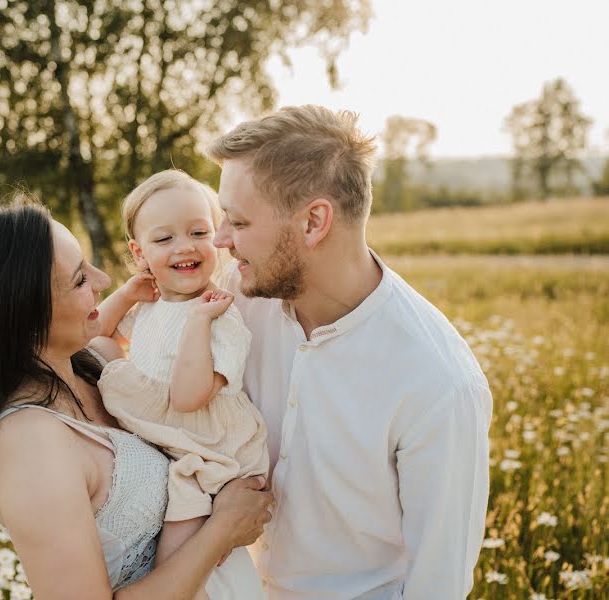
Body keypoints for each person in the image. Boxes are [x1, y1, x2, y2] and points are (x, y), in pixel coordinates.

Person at [0, 201, 273, 599]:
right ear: (24, 313)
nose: (102, 279)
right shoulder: (26, 443)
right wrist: (222, 531)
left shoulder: (93, 368)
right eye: (80, 279)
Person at [207, 105, 493, 599]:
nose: (220, 239)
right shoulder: (236, 300)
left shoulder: (439, 383)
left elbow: (438, 584)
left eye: (237, 221)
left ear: (314, 222)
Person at [96, 170, 269, 599]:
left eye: (198, 232)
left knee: (177, 559)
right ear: (140, 253)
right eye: (164, 239)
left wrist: (199, 321)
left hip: (210, 451)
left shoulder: (219, 316)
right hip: (174, 436)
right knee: (103, 349)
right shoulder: (154, 304)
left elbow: (188, 397)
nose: (184, 246)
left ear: (217, 238)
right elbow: (93, 337)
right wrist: (125, 294)